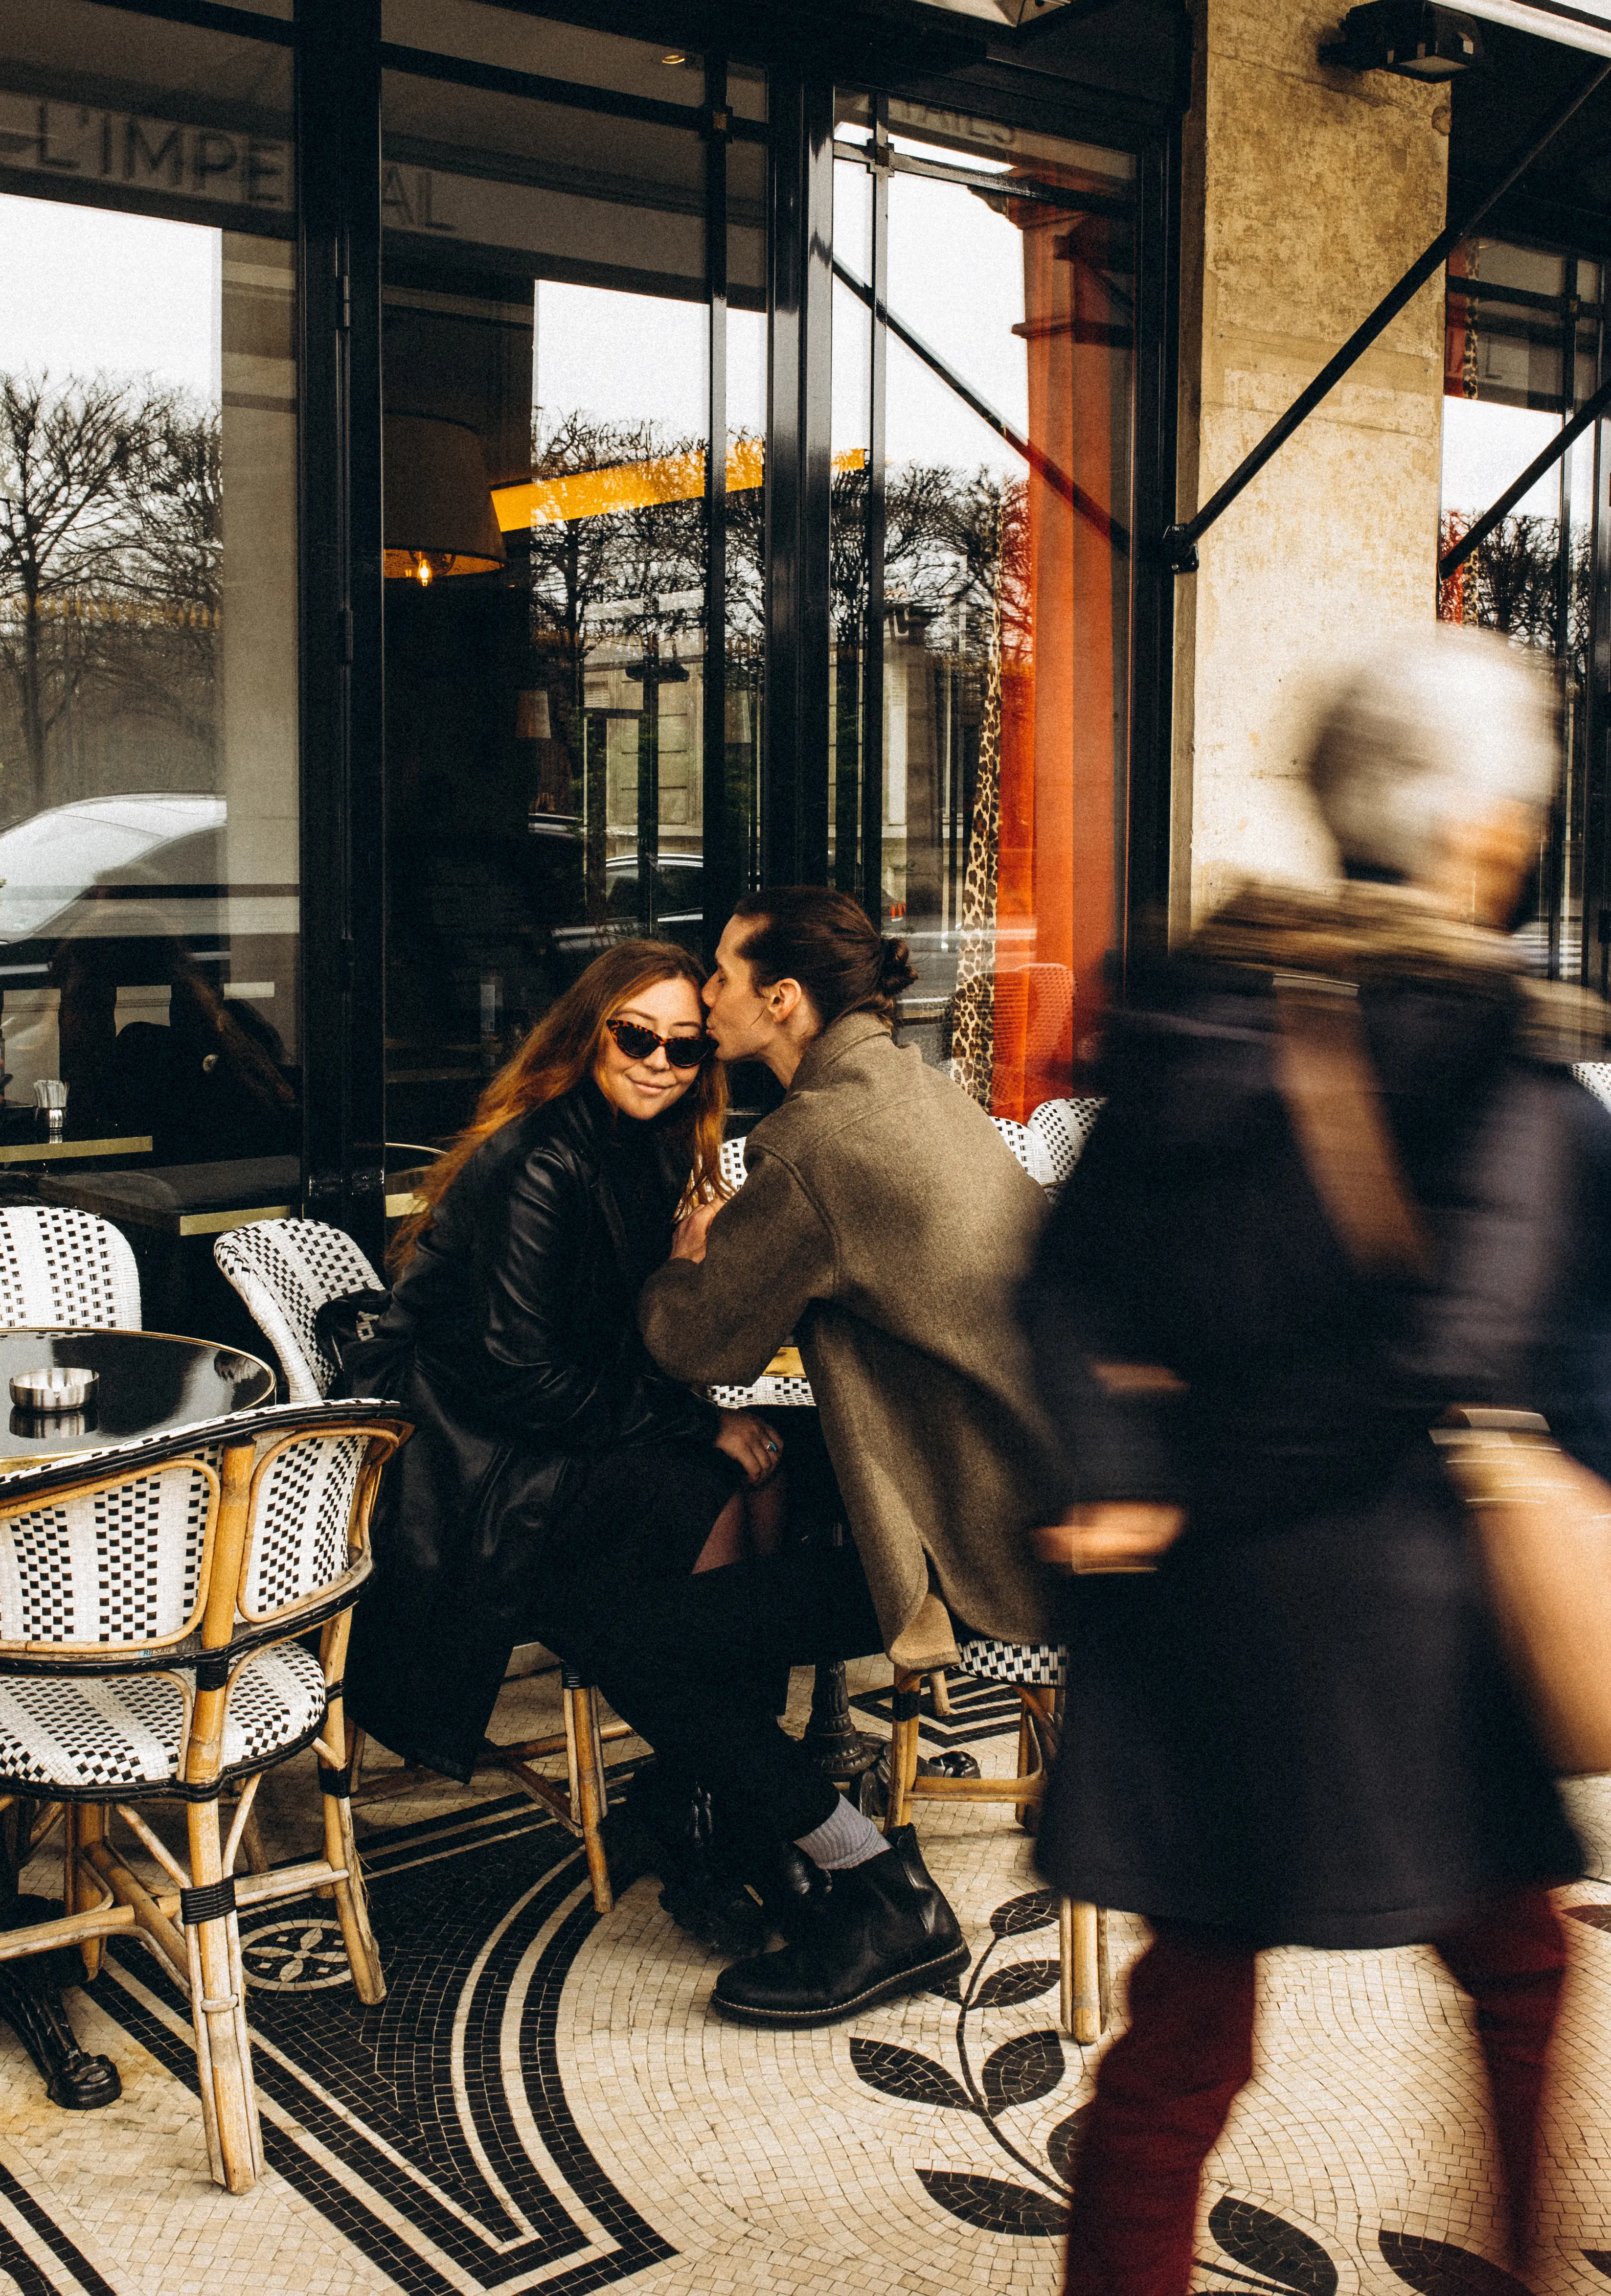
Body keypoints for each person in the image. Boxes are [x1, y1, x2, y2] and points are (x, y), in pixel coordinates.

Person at [1023, 628, 1606, 2293]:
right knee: (1510, 1969)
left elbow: (1057, 1274)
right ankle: (1527, 2269)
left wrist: (1131, 1463)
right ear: (1480, 832)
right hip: (1392, 1616)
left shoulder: (1185, 1007)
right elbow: (1447, 1351)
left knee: (1183, 2030)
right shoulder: (1484, 1047)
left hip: (1189, 1616)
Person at [636, 885, 1065, 2029]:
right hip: (1055, 1497)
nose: (705, 993)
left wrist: (688, 1252)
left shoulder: (812, 1140)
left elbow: (699, 1339)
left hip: (982, 1543)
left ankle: (876, 1885)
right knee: (769, 1526)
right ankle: (758, 1830)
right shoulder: (925, 1090)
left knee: (651, 1646)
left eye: (721, 976)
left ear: (781, 1001)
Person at [340, 936, 795, 1948]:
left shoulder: (655, 1149)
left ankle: (705, 1789)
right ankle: (718, 1807)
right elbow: (525, 1378)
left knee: (774, 1481)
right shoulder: (542, 1159)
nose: (658, 1063)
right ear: (592, 1032)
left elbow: (621, 1342)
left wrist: (688, 1266)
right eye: (637, 1036)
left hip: (540, 1425)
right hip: (462, 1454)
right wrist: (697, 1422)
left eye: (685, 1049)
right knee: (715, 1490)